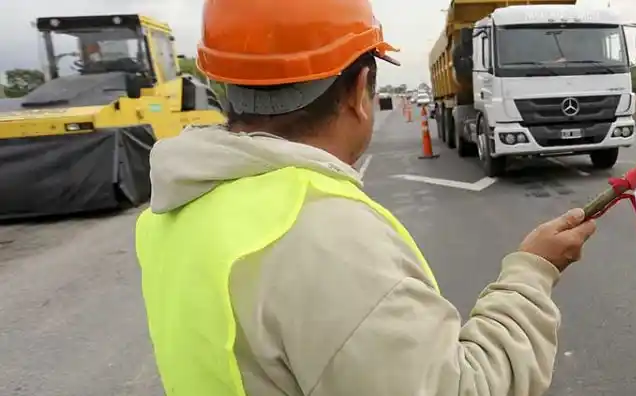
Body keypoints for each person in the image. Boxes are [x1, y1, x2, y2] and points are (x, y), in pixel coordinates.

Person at [133, 0, 597, 395]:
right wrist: (532, 272)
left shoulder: (174, 213)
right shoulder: (321, 235)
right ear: (359, 92)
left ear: (221, 84)